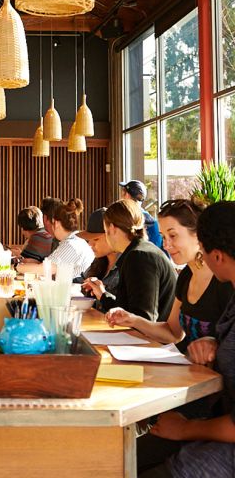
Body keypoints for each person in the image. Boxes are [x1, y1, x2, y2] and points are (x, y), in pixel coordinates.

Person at [138, 201, 235, 478]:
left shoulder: (223, 288)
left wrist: (184, 429)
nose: (166, 244)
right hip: (206, 414)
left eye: (172, 235)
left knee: (125, 463)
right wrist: (215, 344)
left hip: (213, 435)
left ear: (215, 254)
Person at [106, 199, 233, 353]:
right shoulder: (187, 275)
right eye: (163, 237)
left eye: (173, 236)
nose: (166, 245)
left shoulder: (224, 278)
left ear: (197, 234)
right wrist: (132, 319)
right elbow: (173, 333)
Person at [83, 199, 176, 321]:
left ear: (112, 228)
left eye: (105, 232)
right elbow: (128, 310)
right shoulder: (138, 252)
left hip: (152, 339)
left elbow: (143, 318)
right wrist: (103, 295)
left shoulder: (139, 256)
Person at [18, 199, 94, 280]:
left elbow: (44, 270)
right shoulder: (75, 241)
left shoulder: (71, 245)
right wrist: (37, 263)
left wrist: (16, 267)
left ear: (56, 223)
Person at [76, 207, 120, 303]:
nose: (90, 244)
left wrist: (103, 294)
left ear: (112, 234)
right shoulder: (99, 261)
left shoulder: (128, 265)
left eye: (96, 239)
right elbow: (82, 280)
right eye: (89, 239)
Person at [120, 179, 164, 249]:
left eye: (122, 194)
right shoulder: (153, 222)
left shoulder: (124, 220)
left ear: (127, 196)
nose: (121, 197)